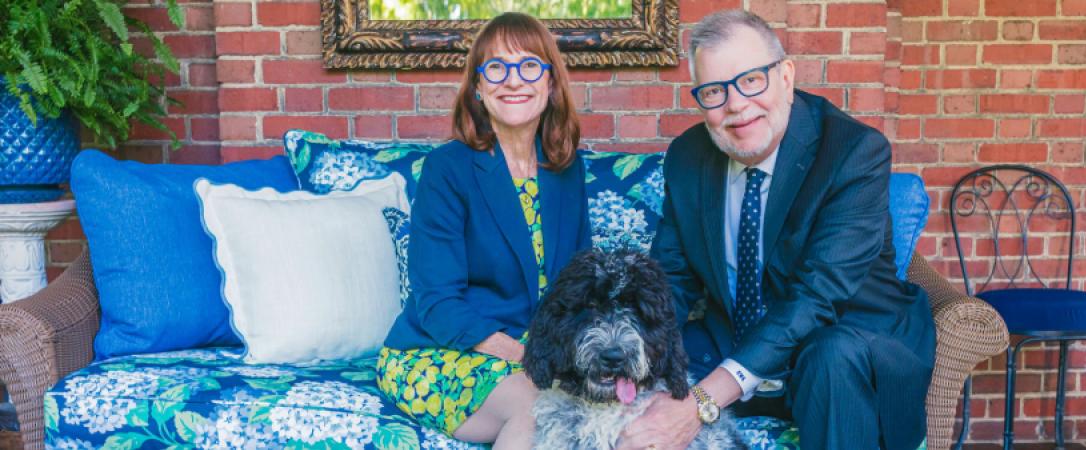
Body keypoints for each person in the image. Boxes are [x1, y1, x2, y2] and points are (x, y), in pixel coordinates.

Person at [621, 10, 936, 450]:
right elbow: (671, 280)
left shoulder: (853, 153)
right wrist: (628, 355)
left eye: (751, 80)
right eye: (714, 91)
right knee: (628, 389)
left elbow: (819, 296)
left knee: (831, 356)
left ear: (785, 76)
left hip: (848, 345)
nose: (735, 105)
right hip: (732, 339)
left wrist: (701, 401)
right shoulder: (689, 157)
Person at [375, 12, 589, 450]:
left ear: (550, 85)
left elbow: (580, 285)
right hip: (440, 350)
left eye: (530, 66)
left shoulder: (566, 170)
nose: (514, 80)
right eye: (497, 67)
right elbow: (436, 301)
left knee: (594, 409)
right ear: (478, 87)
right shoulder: (447, 169)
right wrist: (528, 359)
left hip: (532, 350)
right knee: (539, 407)